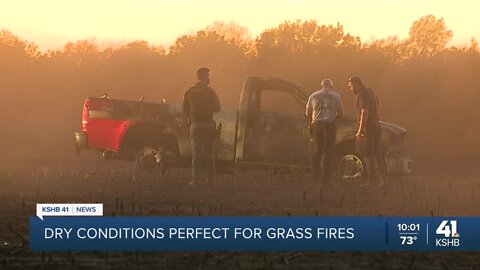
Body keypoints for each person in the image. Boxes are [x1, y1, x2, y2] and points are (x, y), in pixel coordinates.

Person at [182, 68, 221, 186]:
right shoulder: (210, 92)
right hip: (208, 125)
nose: (209, 78)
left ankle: (195, 180)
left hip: (195, 125)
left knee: (196, 154)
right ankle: (211, 181)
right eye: (209, 76)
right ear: (205, 77)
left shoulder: (189, 91)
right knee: (209, 154)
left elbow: (184, 109)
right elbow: (217, 108)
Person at [348, 77, 387, 188]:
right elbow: (378, 102)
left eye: (351, 86)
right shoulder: (370, 91)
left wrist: (360, 130)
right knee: (377, 153)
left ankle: (372, 181)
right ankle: (383, 179)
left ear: (356, 84)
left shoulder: (361, 94)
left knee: (368, 154)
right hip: (376, 125)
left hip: (369, 127)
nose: (351, 89)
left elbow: (364, 111)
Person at [305, 78, 344, 188]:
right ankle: (325, 179)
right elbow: (341, 114)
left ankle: (315, 177)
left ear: (321, 85)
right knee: (328, 152)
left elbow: (307, 113)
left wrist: (312, 123)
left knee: (316, 152)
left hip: (316, 125)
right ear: (331, 86)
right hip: (329, 125)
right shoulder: (336, 96)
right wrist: (332, 117)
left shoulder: (313, 95)